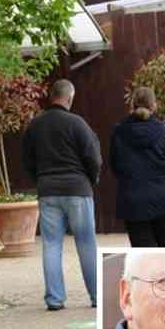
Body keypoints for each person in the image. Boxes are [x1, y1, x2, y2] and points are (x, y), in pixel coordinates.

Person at [21, 79, 100, 311]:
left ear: (51, 96)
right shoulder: (77, 124)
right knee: (86, 243)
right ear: (69, 98)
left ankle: (55, 299)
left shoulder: (35, 125)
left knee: (51, 245)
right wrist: (90, 180)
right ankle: (96, 296)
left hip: (48, 190)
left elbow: (26, 159)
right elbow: (93, 157)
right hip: (77, 189)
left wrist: (39, 180)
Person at [109, 87, 165, 247]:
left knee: (144, 258)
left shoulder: (119, 132)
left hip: (134, 201)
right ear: (154, 106)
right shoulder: (164, 131)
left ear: (132, 106)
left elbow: (115, 166)